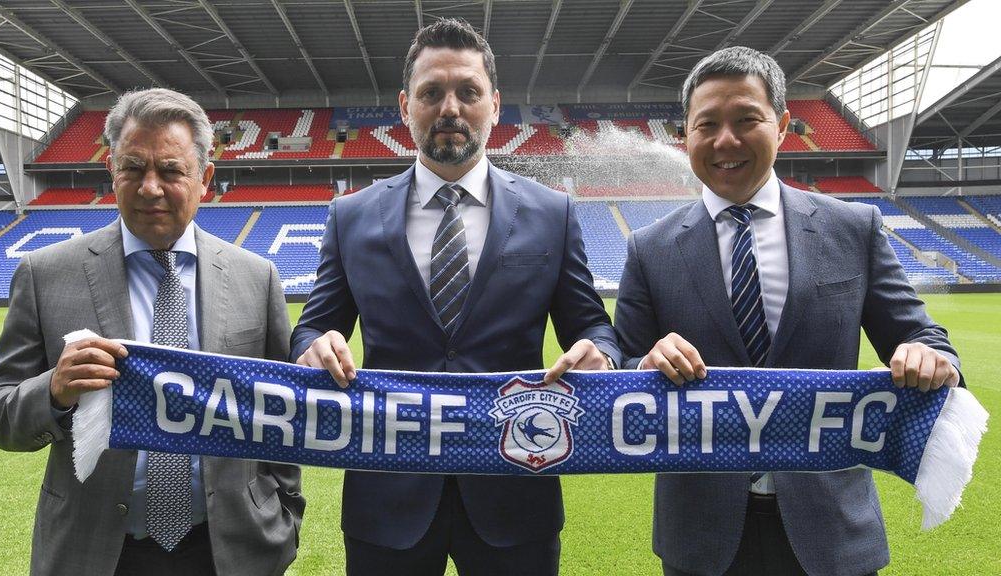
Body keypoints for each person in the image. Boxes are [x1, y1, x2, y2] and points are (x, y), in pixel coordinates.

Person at [614, 47, 961, 576]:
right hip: (702, 537)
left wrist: (927, 354)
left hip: (833, 533)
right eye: (706, 124)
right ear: (685, 137)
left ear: (780, 126)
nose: (725, 140)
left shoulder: (854, 228)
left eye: (746, 119)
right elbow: (621, 369)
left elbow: (921, 335)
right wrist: (644, 363)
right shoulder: (649, 248)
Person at [291, 18, 619, 576]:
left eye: (468, 92)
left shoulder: (552, 214)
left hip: (515, 489)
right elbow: (311, 326)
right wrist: (313, 346)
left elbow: (594, 327)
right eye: (431, 93)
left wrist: (600, 353)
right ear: (405, 106)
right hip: (386, 496)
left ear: (494, 105)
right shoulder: (351, 217)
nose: (450, 108)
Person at [0, 88, 304, 576]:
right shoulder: (45, 273)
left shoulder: (255, 277)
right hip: (95, 551)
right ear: (111, 171)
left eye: (171, 170)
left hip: (230, 550)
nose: (150, 187)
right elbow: (0, 415)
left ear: (205, 179)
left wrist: (285, 513)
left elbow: (281, 413)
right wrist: (52, 390)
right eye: (133, 168)